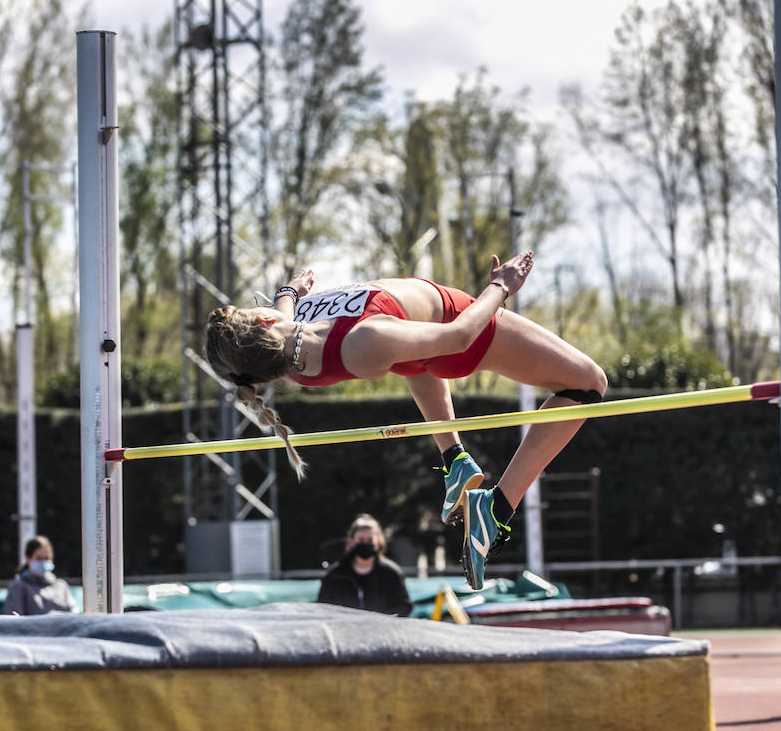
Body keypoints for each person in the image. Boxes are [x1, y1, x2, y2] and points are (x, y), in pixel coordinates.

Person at [206, 250, 606, 590]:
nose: (264, 307)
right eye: (254, 309)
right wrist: (501, 286)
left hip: (415, 340)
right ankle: (498, 509)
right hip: (454, 322)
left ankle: (455, 461)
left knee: (413, 360)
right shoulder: (364, 341)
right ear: (262, 323)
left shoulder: (289, 347)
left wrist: (290, 291)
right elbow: (459, 336)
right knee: (588, 384)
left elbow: (283, 315)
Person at [316, 514, 413, 616]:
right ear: (352, 542)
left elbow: (403, 606)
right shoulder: (335, 575)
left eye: (370, 540)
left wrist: (382, 621)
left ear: (378, 542)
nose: (365, 543)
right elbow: (323, 608)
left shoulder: (391, 573)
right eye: (361, 540)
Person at [4, 535, 79, 615]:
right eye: (39, 558)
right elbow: (14, 620)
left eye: (47, 558)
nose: (43, 562)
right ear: (27, 558)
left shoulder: (61, 586)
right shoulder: (18, 587)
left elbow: (74, 613)